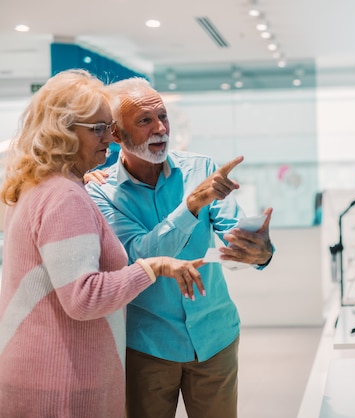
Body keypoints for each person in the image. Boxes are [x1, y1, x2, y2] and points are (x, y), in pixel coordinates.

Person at [0, 69, 206, 417]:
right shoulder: (64, 196)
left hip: (43, 371)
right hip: (63, 384)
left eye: (107, 128)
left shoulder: (41, 186)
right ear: (63, 131)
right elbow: (85, 297)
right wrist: (152, 267)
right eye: (97, 129)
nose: (109, 140)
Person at [84, 76, 275, 418]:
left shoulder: (200, 168)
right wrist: (191, 205)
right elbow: (140, 255)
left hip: (215, 337)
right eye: (145, 121)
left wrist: (260, 251)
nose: (160, 128)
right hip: (148, 346)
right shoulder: (101, 192)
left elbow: (234, 235)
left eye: (163, 116)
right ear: (116, 134)